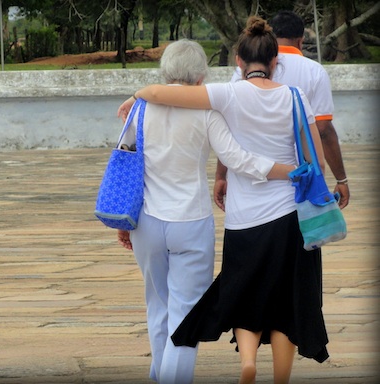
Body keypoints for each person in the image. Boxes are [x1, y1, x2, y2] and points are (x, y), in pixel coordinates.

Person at [117, 16, 329, 384]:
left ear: (238, 60)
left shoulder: (141, 109)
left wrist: (124, 219)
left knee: (159, 306)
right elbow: (239, 159)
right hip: (197, 220)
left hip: (149, 220)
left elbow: (124, 166)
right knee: (188, 310)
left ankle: (164, 374)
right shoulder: (211, 109)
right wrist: (289, 171)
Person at [225, 10, 349, 210]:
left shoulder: (243, 71)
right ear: (300, 41)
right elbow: (323, 129)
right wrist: (341, 179)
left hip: (250, 179)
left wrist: (221, 176)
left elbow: (229, 126)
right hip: (298, 179)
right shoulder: (314, 71)